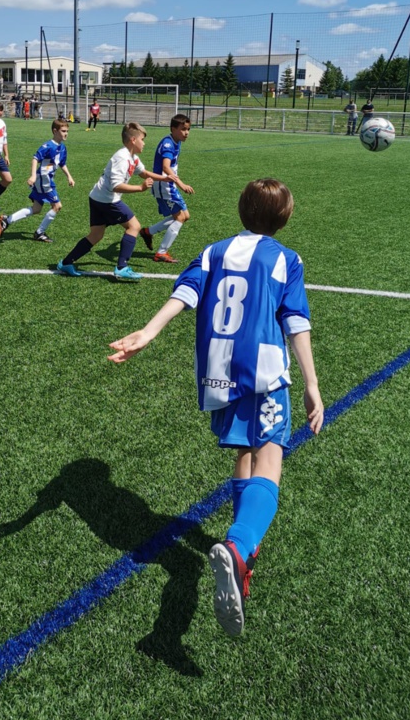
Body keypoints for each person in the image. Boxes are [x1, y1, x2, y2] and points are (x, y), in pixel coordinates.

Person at [108, 178, 325, 637]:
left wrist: (146, 333)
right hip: (264, 374)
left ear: (241, 211)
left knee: (244, 453)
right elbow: (296, 321)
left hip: (216, 374)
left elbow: (184, 295)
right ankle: (238, 545)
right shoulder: (287, 259)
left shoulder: (213, 251)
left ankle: (243, 548)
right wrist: (312, 383)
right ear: (284, 219)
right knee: (270, 458)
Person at [56, 122, 166, 281]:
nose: (145, 143)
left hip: (97, 197)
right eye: (142, 139)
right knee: (134, 226)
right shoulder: (122, 158)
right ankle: (122, 267)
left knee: (96, 235)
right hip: (107, 201)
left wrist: (165, 178)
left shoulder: (133, 157)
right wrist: (140, 188)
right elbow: (116, 186)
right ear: (133, 140)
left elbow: (144, 172)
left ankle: (66, 263)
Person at [0, 118, 75, 243]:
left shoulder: (62, 147)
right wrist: (33, 176)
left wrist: (69, 176)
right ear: (55, 131)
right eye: (63, 131)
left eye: (67, 131)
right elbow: (35, 158)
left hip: (47, 180)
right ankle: (39, 232)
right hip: (44, 180)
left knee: (36, 209)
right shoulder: (48, 146)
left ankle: (7, 220)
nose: (66, 133)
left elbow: (62, 163)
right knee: (57, 206)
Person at [139, 113, 194, 264]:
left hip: (169, 184)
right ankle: (161, 253)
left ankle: (148, 232)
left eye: (188, 129)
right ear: (173, 128)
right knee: (180, 217)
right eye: (183, 129)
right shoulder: (168, 144)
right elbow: (165, 167)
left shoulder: (176, 141)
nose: (186, 133)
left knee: (185, 215)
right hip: (164, 184)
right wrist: (181, 184)